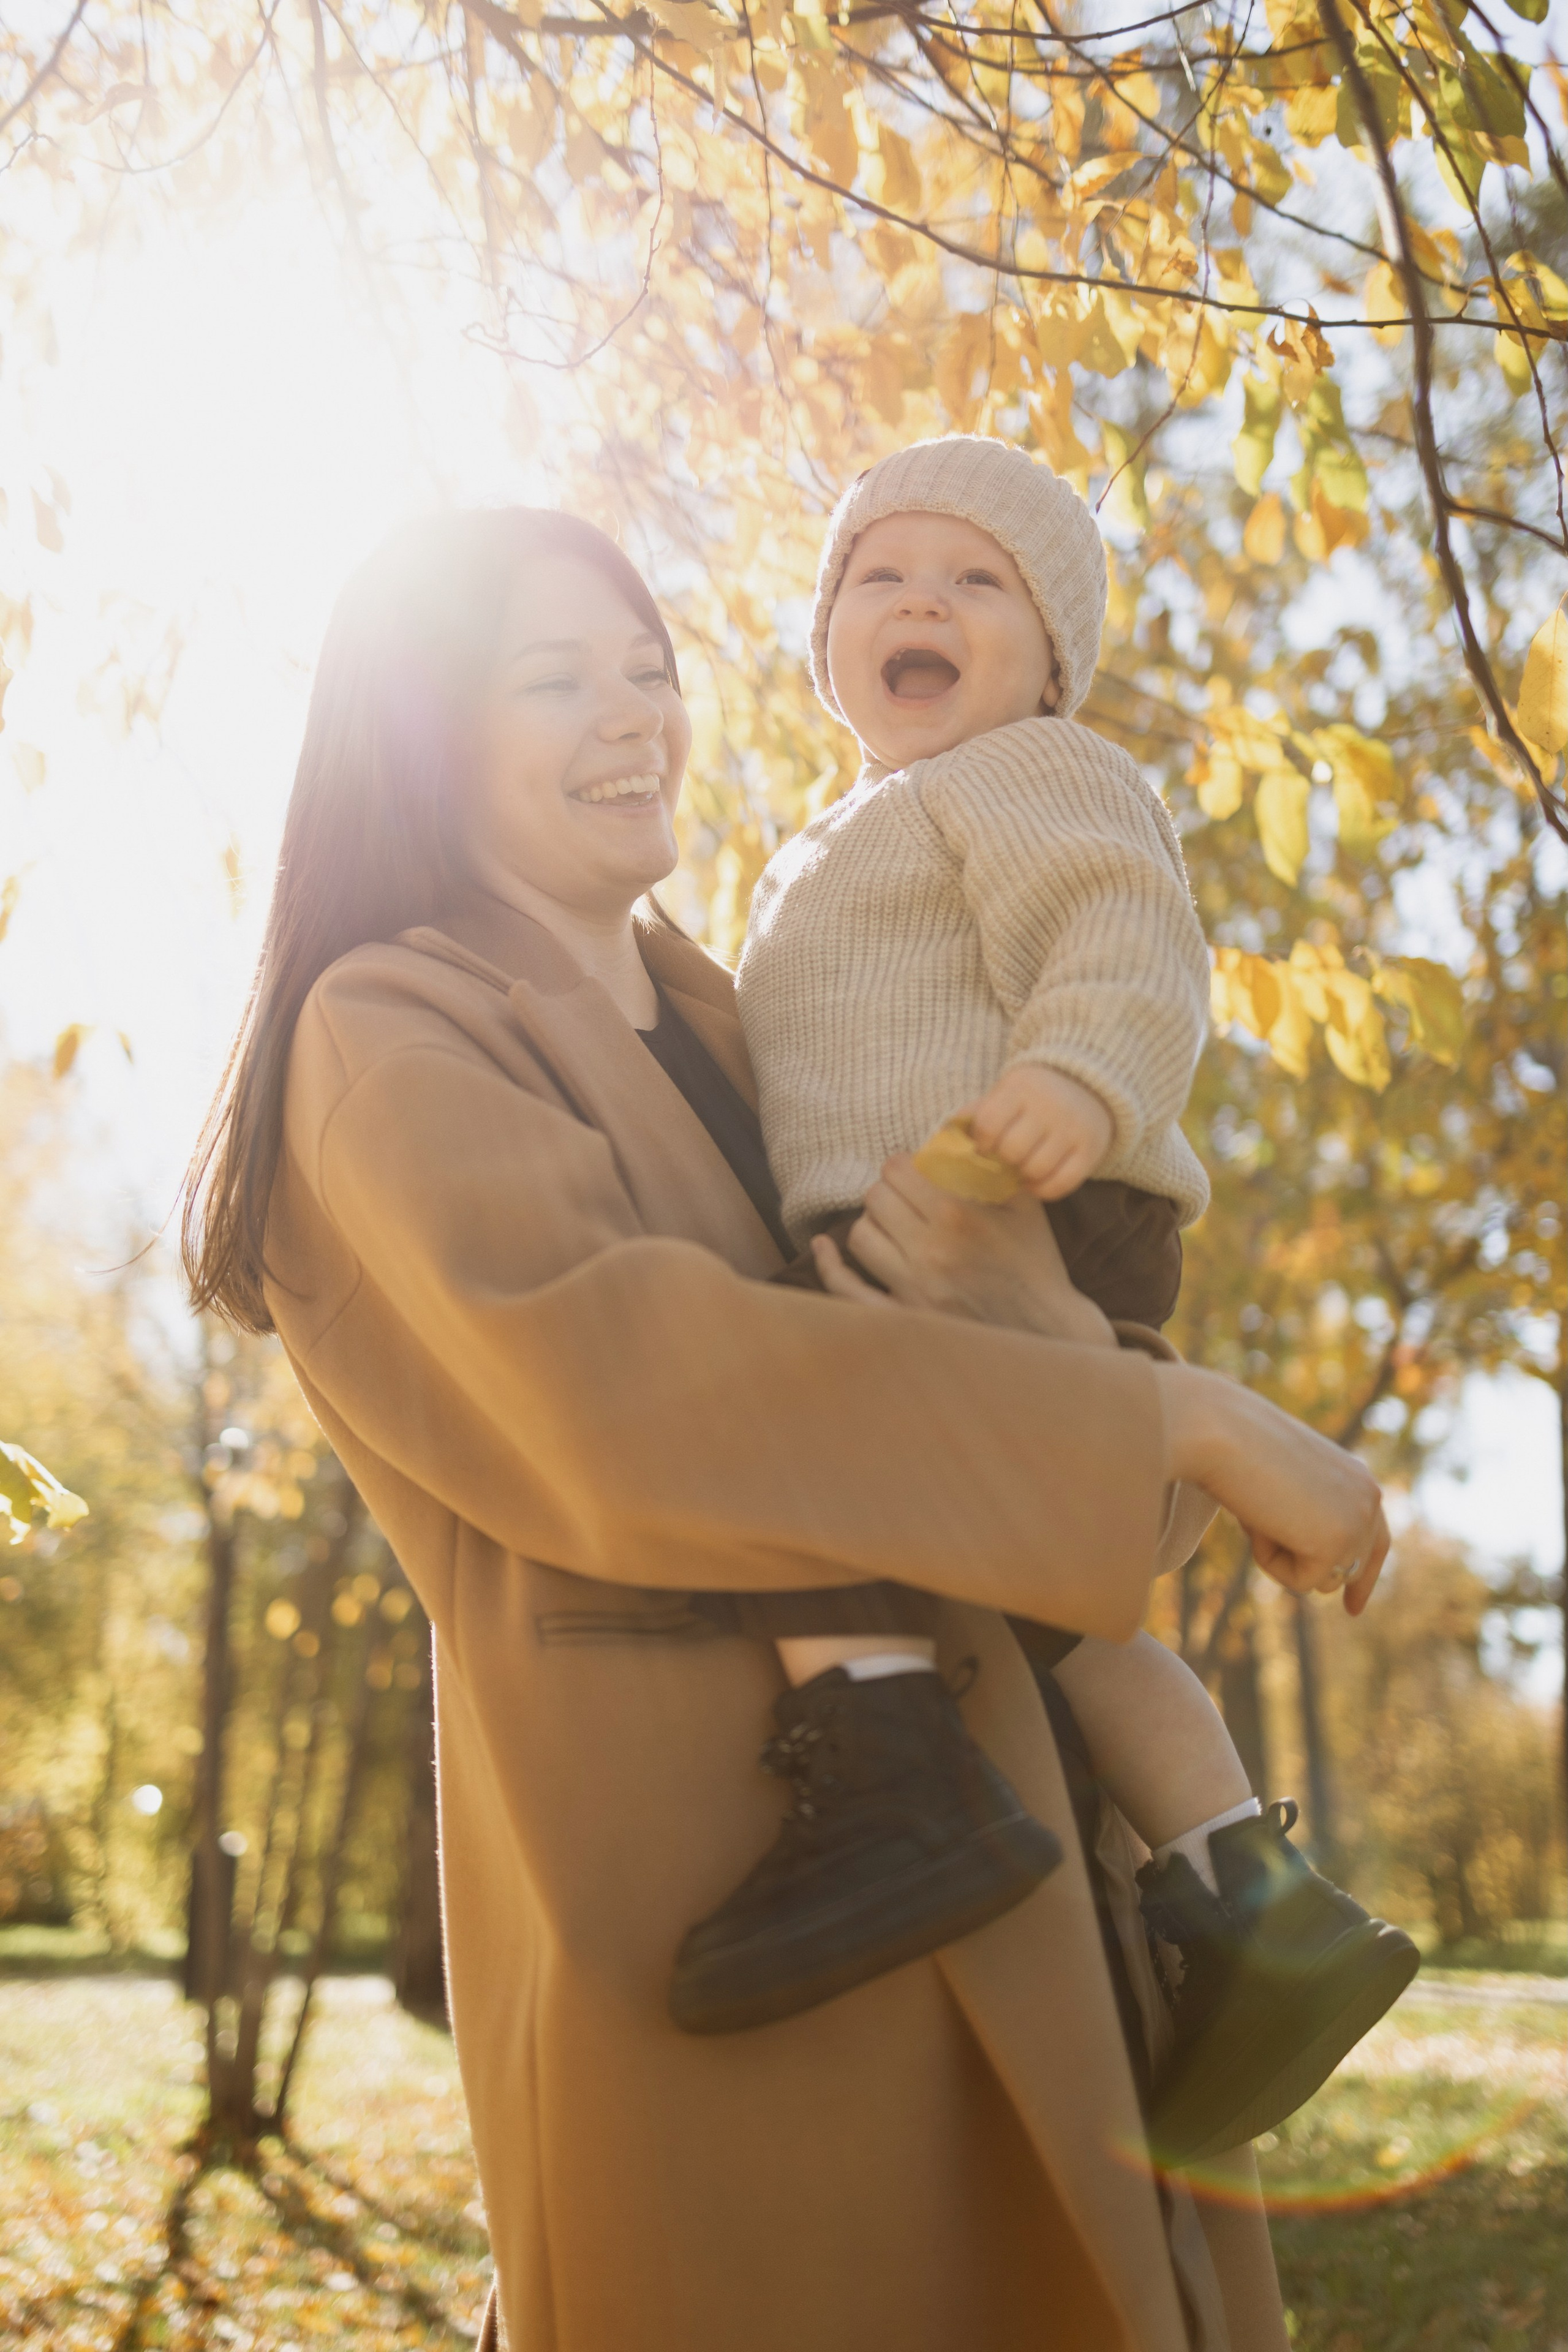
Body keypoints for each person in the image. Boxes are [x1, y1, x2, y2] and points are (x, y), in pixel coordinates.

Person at [182, 503, 1387, 2352]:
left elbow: (1086, 1532)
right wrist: (1182, 1413)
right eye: (556, 677)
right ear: (419, 736)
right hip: (756, 1947)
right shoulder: (387, 1034)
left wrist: (1063, 1335)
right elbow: (637, 1397)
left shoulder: (769, 1037)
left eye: (653, 670)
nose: (636, 714)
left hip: (1054, 1905)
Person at [673, 436, 1418, 2168]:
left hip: (1022, 1198)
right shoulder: (837, 837)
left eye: (975, 582)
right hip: (925, 1218)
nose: (919, 600)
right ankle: (1248, 1891)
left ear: (1051, 657)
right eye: (879, 577)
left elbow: (1129, 935)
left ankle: (888, 1768)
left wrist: (1079, 1081)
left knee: (785, 1440)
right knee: (1071, 1610)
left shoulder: (1034, 773)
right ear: (828, 640)